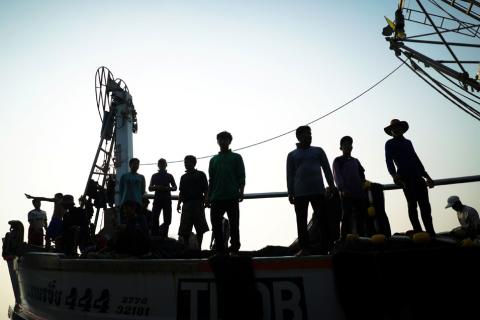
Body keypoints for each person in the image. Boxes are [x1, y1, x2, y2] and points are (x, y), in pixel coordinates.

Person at [286, 125, 336, 255]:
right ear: (298, 137)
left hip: (318, 191)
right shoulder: (292, 155)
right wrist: (290, 192)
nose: (309, 136)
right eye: (306, 134)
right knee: (301, 221)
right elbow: (290, 174)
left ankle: (327, 246)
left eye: (310, 134)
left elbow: (326, 168)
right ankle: (305, 248)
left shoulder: (318, 151)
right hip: (299, 193)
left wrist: (331, 185)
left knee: (323, 219)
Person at [384, 119, 435, 236]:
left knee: (425, 206)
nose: (396, 129)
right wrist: (394, 175)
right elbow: (388, 160)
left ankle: (431, 232)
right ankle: (418, 231)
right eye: (394, 128)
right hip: (405, 177)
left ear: (402, 129)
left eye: (398, 127)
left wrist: (427, 177)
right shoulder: (389, 143)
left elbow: (416, 159)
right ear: (391, 131)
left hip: (417, 176)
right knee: (412, 205)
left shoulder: (408, 143)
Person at [206, 131, 245, 256]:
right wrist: (207, 197)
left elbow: (241, 176)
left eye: (225, 139)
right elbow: (211, 180)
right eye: (220, 139)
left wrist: (241, 191)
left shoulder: (236, 157)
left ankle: (234, 249)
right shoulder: (213, 160)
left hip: (232, 195)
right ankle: (220, 251)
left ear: (229, 141)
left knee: (234, 224)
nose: (223, 141)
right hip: (216, 197)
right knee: (215, 225)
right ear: (217, 141)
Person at [332, 136, 367, 238]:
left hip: (359, 193)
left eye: (349, 144)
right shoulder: (338, 161)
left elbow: (362, 175)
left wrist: (364, 185)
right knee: (346, 215)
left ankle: (361, 237)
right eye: (345, 145)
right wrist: (342, 189)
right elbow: (337, 176)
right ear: (341, 148)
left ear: (352, 147)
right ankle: (343, 238)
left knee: (361, 215)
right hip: (346, 193)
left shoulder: (356, 161)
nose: (348, 146)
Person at [177, 155, 209, 249]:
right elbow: (181, 192)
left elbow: (205, 189)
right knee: (185, 228)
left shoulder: (200, 174)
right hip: (186, 204)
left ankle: (199, 247)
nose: (185, 164)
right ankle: (187, 247)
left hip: (198, 203)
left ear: (193, 163)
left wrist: (206, 200)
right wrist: (179, 203)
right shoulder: (183, 177)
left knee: (200, 228)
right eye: (185, 162)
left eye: (187, 162)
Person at [149, 158, 177, 237]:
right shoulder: (154, 176)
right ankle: (155, 235)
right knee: (155, 217)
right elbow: (150, 188)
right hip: (158, 199)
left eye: (163, 163)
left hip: (167, 199)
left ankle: (164, 235)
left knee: (167, 219)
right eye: (160, 164)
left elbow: (175, 187)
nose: (162, 165)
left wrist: (167, 188)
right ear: (158, 165)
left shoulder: (169, 176)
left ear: (166, 165)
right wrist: (158, 187)